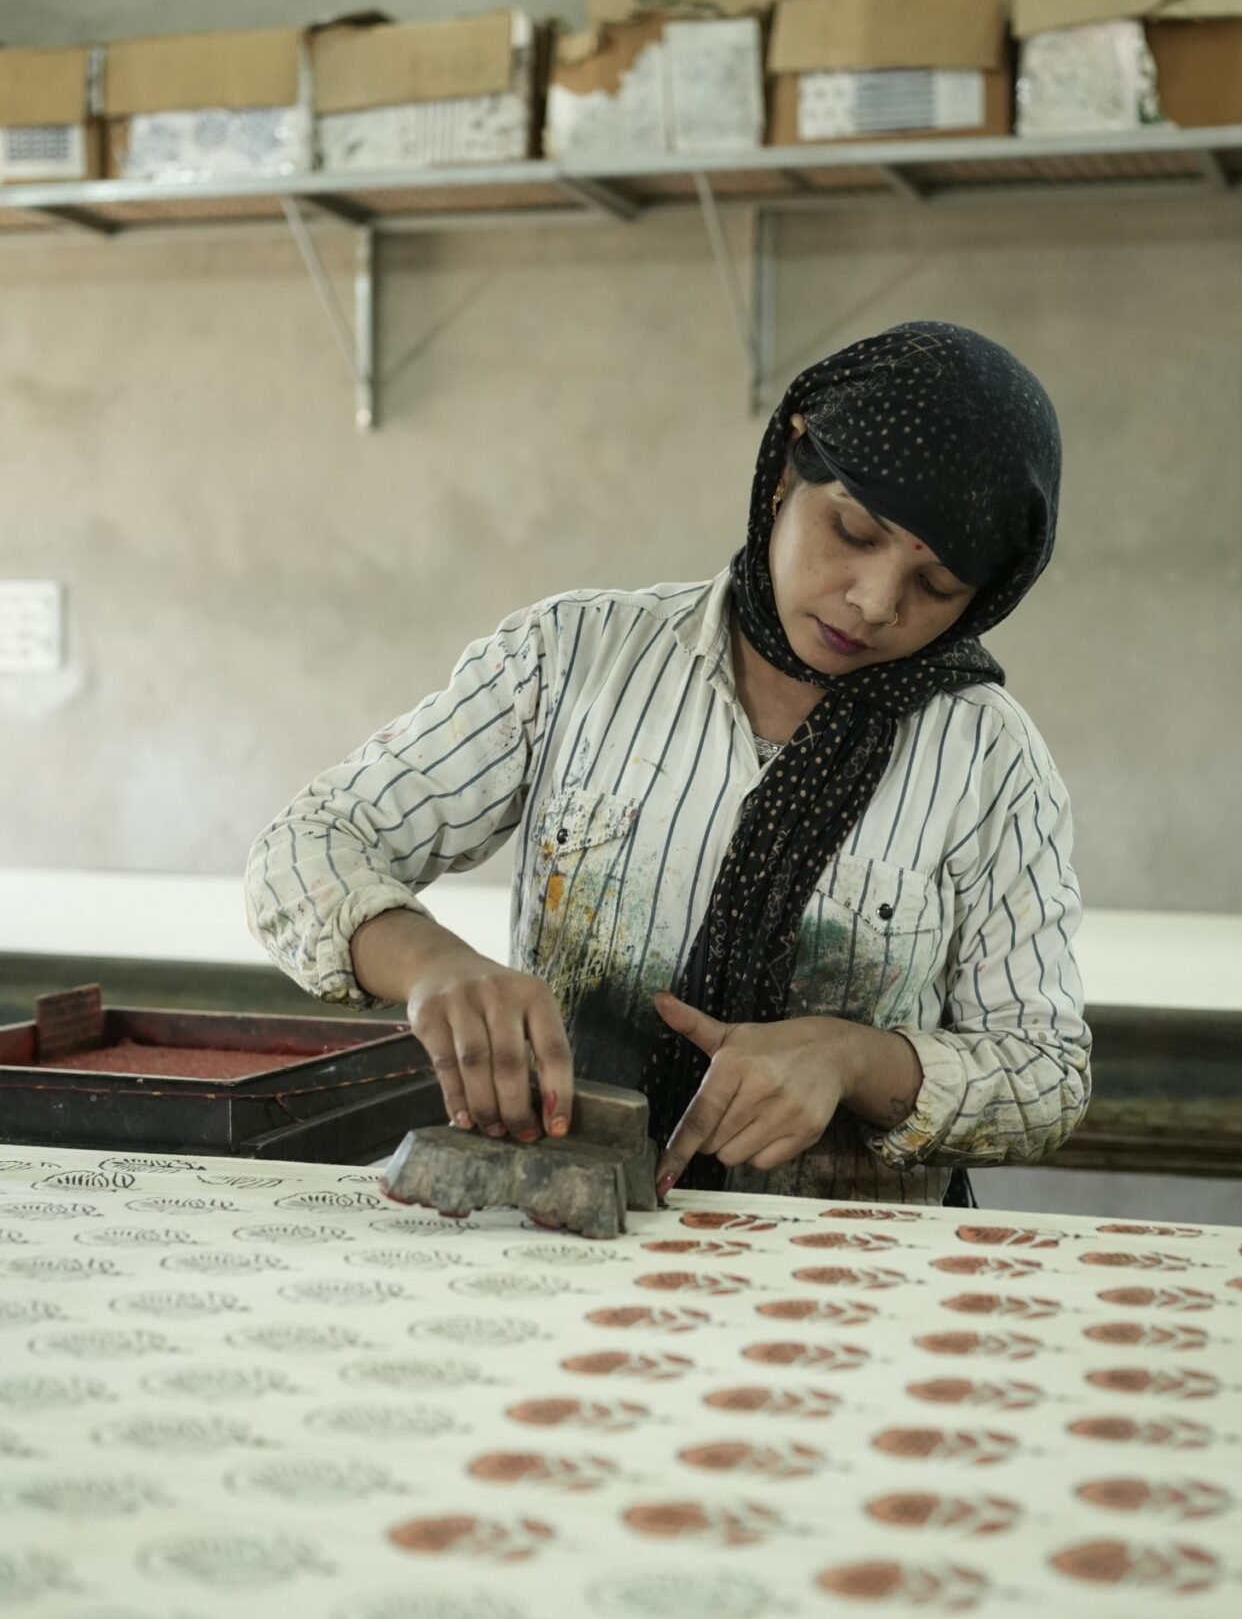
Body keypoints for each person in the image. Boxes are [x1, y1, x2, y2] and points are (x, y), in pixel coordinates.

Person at [246, 320, 1090, 1207]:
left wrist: (855, 1059)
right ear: (785, 471)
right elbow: (308, 844)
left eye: (937, 587)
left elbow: (1045, 1072)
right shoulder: (572, 659)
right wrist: (428, 963)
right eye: (852, 530)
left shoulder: (988, 761)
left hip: (844, 1289)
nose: (876, 602)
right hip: (564, 1249)